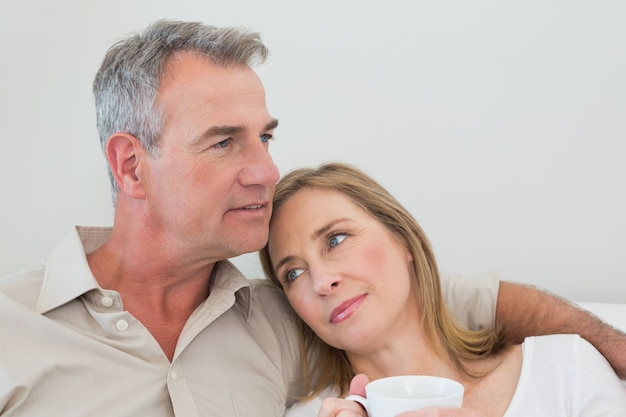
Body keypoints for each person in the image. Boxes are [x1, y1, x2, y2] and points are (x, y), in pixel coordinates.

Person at [0, 19, 624, 417]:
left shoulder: (280, 319)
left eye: (265, 138)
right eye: (224, 142)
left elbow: (446, 301)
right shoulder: (12, 331)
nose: (264, 172)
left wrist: (612, 347)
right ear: (131, 167)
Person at [259, 162, 626, 417]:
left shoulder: (565, 367)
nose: (322, 282)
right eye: (293, 273)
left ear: (404, 239)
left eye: (336, 239)